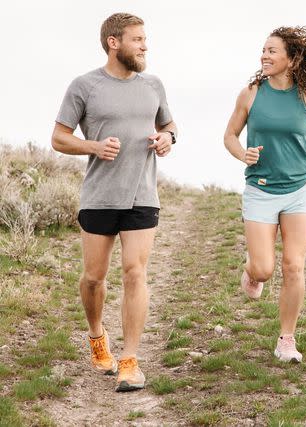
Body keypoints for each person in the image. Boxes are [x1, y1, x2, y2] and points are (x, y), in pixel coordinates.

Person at [51, 12, 177, 392]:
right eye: (138, 39)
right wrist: (93, 146)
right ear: (114, 42)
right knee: (94, 278)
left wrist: (168, 139)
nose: (145, 46)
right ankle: (96, 335)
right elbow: (59, 138)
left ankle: (130, 361)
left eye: (144, 39)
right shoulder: (85, 86)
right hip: (99, 196)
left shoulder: (153, 84)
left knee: (135, 273)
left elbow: (169, 126)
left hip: (142, 194)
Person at [224, 26, 306, 362]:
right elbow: (230, 136)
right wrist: (241, 154)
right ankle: (252, 272)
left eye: (272, 51)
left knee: (294, 266)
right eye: (263, 50)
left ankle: (286, 339)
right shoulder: (251, 93)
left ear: (292, 59)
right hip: (260, 190)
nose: (265, 55)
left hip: (299, 190)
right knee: (263, 269)